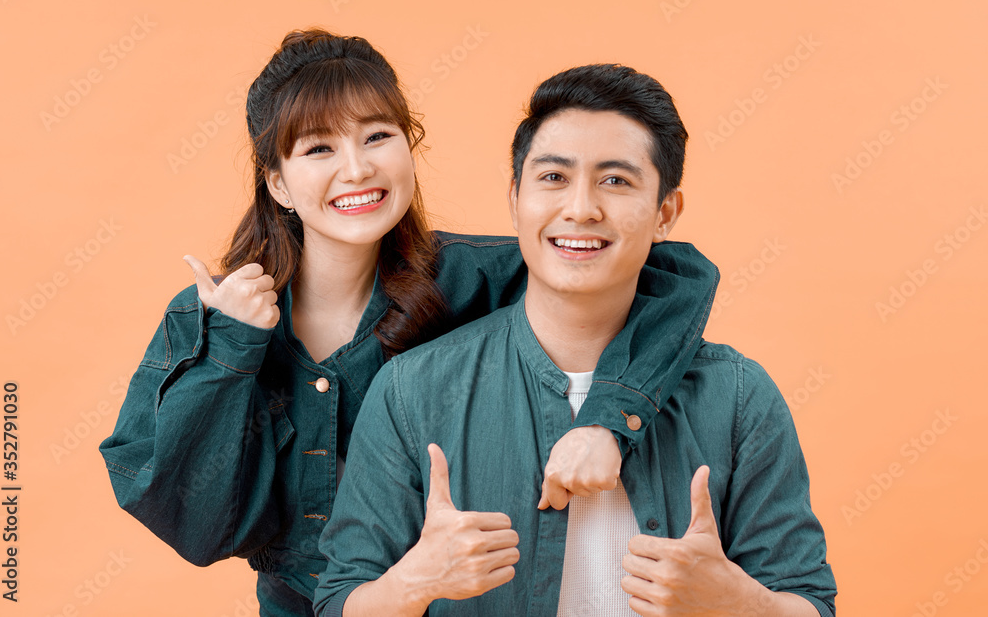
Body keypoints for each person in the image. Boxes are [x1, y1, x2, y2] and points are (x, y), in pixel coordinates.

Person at [98, 31, 720, 616]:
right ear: (278, 183)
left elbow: (671, 272)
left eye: (377, 137)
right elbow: (191, 522)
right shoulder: (214, 319)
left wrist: (612, 422)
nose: (358, 169)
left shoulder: (474, 280)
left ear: (409, 146)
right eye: (318, 148)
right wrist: (232, 351)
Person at [314, 63, 837, 616]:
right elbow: (338, 603)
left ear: (666, 213)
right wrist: (413, 583)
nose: (581, 208)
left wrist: (739, 603)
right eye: (554, 178)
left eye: (616, 180)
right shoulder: (411, 392)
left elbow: (809, 602)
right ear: (515, 197)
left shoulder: (736, 397)